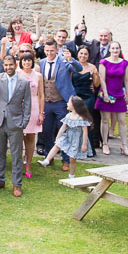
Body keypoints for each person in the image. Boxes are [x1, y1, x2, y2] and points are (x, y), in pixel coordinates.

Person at [0, 54, 33, 197]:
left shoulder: (24, 82)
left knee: (16, 155)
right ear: (3, 66)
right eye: (6, 65)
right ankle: (0, 180)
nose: (8, 67)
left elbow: (28, 104)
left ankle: (17, 184)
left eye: (10, 65)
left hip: (16, 122)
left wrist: (24, 122)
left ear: (15, 65)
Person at [39, 39, 81, 171]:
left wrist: (71, 59)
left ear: (57, 50)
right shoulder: (41, 63)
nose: (49, 53)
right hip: (46, 102)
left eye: (52, 50)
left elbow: (78, 68)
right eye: (47, 50)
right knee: (47, 131)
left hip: (62, 102)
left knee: (64, 131)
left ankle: (66, 160)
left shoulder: (63, 61)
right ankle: (48, 157)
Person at [39, 96, 93, 177]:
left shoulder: (81, 118)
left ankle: (71, 174)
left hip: (77, 139)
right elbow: (63, 127)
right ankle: (46, 160)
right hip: (67, 136)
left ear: (74, 106)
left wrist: (84, 144)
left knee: (72, 158)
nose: (67, 104)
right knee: (57, 145)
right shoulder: (68, 116)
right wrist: (58, 137)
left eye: (69, 102)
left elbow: (85, 132)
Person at [96, 40, 128, 156]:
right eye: (113, 48)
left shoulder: (124, 63)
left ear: (120, 50)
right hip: (107, 93)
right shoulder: (104, 62)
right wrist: (105, 94)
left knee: (122, 120)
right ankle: (105, 143)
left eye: (117, 48)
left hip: (119, 94)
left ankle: (124, 145)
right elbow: (102, 79)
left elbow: (126, 80)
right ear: (109, 50)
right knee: (105, 120)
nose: (115, 50)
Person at [16, 51, 44, 178]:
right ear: (21, 62)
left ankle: (28, 163)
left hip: (33, 106)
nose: (27, 62)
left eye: (29, 60)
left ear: (32, 62)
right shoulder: (17, 74)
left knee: (31, 137)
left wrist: (41, 113)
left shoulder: (38, 76)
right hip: (19, 106)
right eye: (24, 60)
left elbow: (41, 95)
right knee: (18, 136)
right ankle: (18, 162)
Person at [71, 45, 101, 153]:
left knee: (87, 121)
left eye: (85, 54)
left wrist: (96, 74)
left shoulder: (92, 67)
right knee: (74, 121)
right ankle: (74, 146)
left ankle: (88, 148)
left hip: (88, 96)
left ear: (88, 56)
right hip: (75, 96)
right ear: (77, 54)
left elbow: (97, 84)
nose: (83, 56)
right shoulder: (72, 66)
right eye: (81, 53)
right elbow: (69, 82)